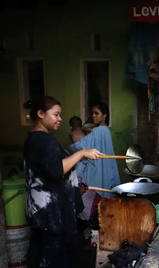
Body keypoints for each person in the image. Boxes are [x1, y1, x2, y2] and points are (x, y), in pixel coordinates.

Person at [23, 96, 103, 268]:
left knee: (40, 254)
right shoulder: (46, 140)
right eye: (56, 114)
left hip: (39, 210)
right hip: (52, 213)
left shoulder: (32, 139)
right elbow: (56, 170)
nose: (60, 119)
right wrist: (81, 154)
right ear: (40, 114)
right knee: (55, 258)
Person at [70, 102, 121, 198]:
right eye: (92, 113)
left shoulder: (100, 131)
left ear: (104, 115)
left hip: (96, 168)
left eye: (96, 113)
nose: (93, 116)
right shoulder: (103, 130)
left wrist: (72, 146)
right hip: (102, 166)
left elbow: (79, 146)